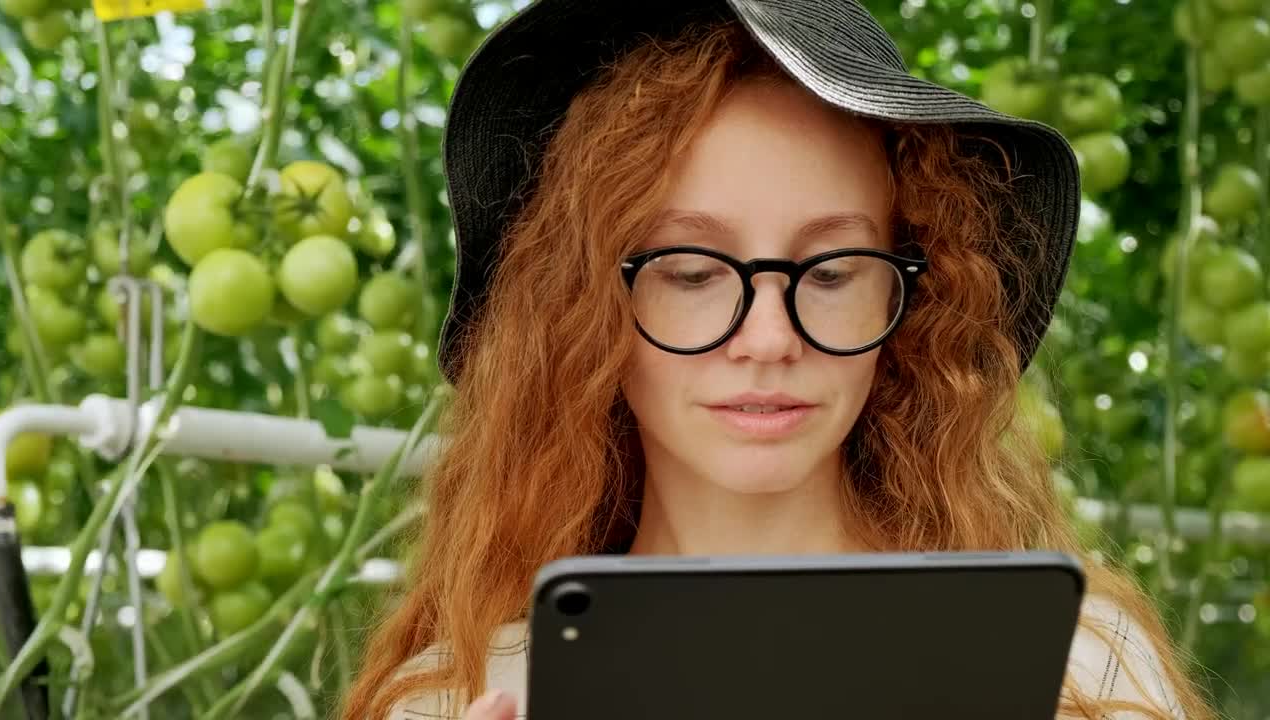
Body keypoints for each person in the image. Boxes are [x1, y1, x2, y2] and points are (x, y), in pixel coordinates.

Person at [343, 2, 1215, 719]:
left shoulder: (1082, 676)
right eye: (690, 270)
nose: (768, 338)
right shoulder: (459, 702)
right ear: (584, 311)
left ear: (908, 302)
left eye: (833, 271)